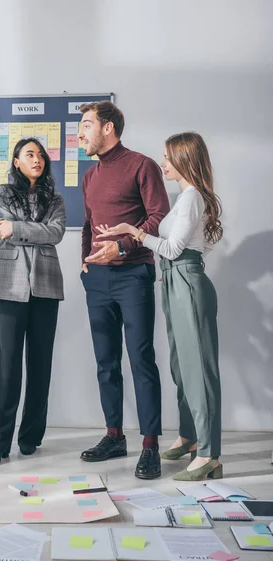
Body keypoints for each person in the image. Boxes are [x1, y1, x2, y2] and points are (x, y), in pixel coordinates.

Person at [96, 131, 223, 481]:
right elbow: (197, 244)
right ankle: (191, 437)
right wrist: (174, 267)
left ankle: (210, 454)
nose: (162, 163)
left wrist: (133, 232)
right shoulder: (185, 199)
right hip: (173, 282)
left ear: (183, 159)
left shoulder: (192, 197)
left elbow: (173, 248)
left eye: (167, 157)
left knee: (199, 370)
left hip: (186, 284)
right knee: (181, 366)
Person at [79, 101, 170, 479]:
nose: (80, 133)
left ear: (109, 128)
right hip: (97, 281)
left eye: (86, 125)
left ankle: (150, 445)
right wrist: (85, 261)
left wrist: (124, 246)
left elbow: (159, 217)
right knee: (105, 361)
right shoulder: (90, 176)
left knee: (141, 359)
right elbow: (88, 223)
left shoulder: (141, 166)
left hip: (133, 276)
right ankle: (114, 435)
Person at [0, 138, 66, 466]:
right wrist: (34, 230)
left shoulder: (55, 198)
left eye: (41, 155)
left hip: (46, 286)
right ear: (16, 161)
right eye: (30, 154)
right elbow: (22, 230)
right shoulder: (3, 192)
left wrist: (16, 228)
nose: (37, 159)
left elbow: (57, 233)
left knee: (40, 365)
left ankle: (30, 437)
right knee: (8, 366)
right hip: (10, 286)